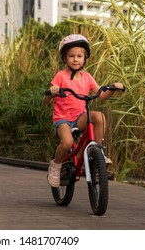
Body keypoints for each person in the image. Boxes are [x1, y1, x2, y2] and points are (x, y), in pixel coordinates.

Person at [43, 34, 123, 187]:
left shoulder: (87, 77)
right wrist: (52, 92)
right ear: (64, 58)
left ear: (85, 58)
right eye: (71, 56)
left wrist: (113, 87)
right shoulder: (60, 76)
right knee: (67, 142)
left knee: (98, 116)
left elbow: (103, 95)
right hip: (63, 119)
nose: (75, 59)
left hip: (79, 117)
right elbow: (45, 101)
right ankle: (56, 165)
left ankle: (97, 153)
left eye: (79, 56)